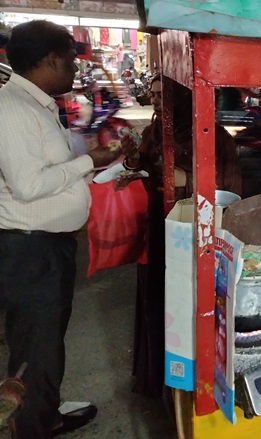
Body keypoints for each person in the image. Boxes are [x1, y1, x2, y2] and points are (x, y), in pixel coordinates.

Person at [0, 20, 119, 437]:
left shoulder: (38, 104)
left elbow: (53, 173)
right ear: (50, 59)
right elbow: (29, 185)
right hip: (30, 248)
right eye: (70, 60)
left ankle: (42, 407)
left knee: (46, 337)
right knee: (36, 340)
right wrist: (92, 161)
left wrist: (95, 173)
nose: (74, 69)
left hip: (47, 244)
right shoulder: (12, 108)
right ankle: (32, 424)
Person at [120, 74, 242, 397]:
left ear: (182, 101)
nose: (156, 101)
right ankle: (157, 381)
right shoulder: (156, 131)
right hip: (157, 229)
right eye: (154, 94)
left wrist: (186, 178)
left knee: (190, 306)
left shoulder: (216, 139)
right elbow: (145, 168)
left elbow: (228, 192)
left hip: (193, 237)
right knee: (155, 301)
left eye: (163, 96)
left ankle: (192, 386)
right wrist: (133, 160)